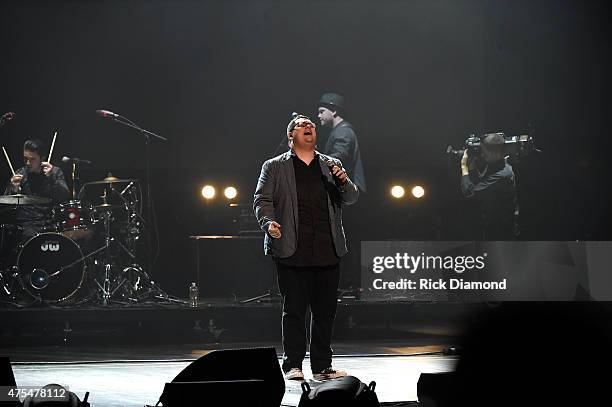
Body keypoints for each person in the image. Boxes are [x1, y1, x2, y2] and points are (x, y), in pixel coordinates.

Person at [253, 114, 359, 381]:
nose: (309, 127)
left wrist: (344, 180)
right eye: (302, 125)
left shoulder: (331, 165)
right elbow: (262, 199)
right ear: (291, 136)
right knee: (295, 311)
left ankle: (322, 366)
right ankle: (293, 365)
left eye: (311, 124)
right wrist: (268, 223)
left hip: (327, 248)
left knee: (325, 313)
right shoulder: (275, 167)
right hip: (292, 248)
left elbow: (352, 197)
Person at [3, 139, 69, 242]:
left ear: (42, 158)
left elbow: (64, 196)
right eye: (25, 159)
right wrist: (13, 189)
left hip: (50, 222)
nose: (28, 163)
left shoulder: (55, 172)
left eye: (32, 159)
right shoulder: (20, 174)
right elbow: (5, 201)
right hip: (26, 224)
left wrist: (51, 178)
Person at [460, 133, 517, 240]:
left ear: (495, 153)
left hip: (501, 233)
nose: (482, 154)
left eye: (484, 151)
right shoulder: (501, 163)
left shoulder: (502, 175)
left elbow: (469, 192)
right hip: (494, 226)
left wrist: (464, 166)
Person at [317, 93, 367, 193]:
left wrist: (314, 161)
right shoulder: (339, 131)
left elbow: (339, 156)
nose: (319, 116)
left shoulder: (343, 131)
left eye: (322, 112)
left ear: (334, 111)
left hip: (348, 191)